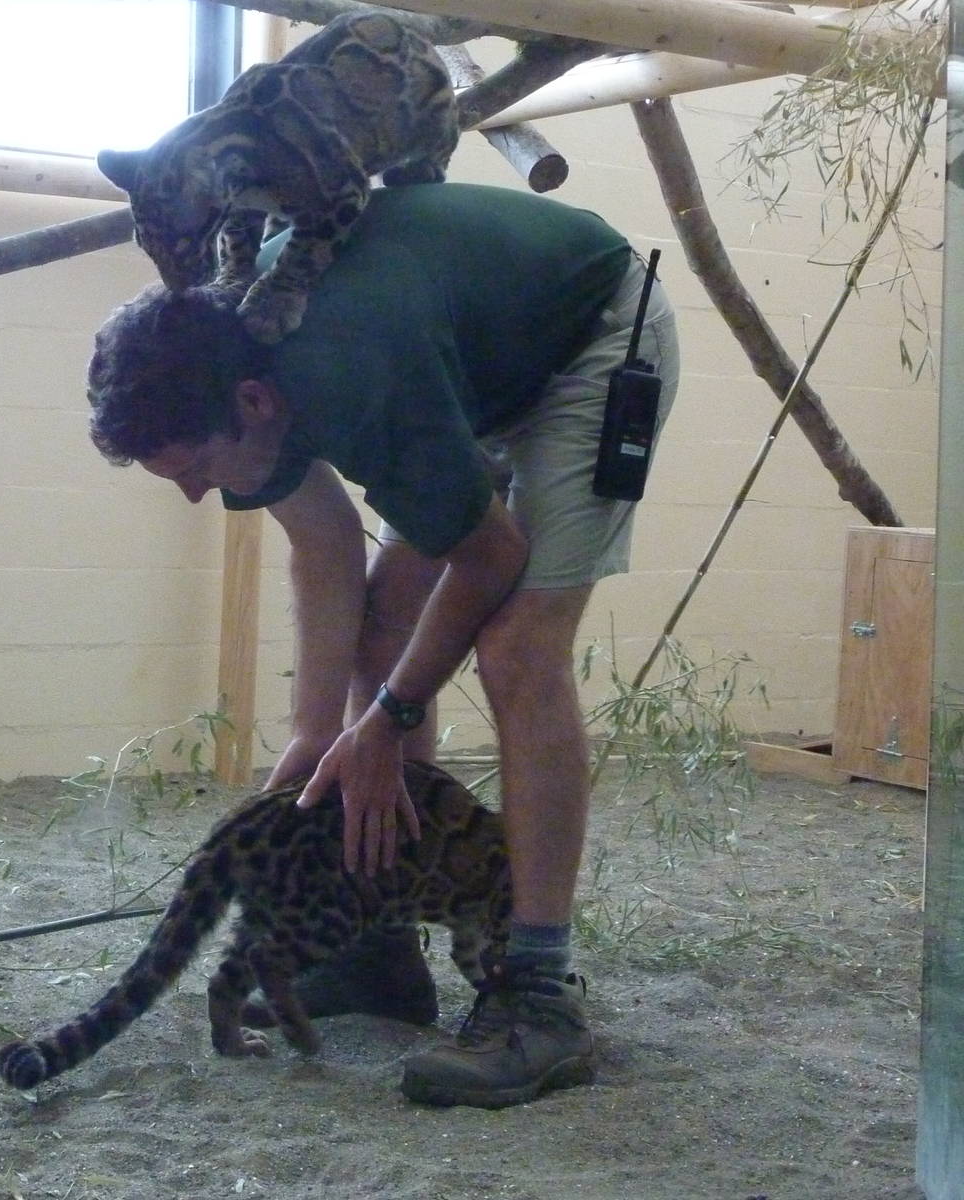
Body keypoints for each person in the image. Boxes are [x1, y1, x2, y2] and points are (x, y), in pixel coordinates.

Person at [85, 181, 678, 1109]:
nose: (198, 495)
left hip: (588, 338)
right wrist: (320, 731)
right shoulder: (239, 348)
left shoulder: (350, 364)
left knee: (517, 649)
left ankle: (538, 994)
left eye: (196, 469)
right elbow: (324, 548)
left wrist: (389, 719)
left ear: (252, 403)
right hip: (468, 372)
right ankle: (380, 946)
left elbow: (489, 557)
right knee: (386, 625)